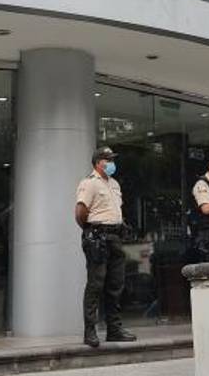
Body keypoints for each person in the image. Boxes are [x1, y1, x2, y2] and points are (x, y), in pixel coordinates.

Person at [75, 146, 137, 348]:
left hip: (115, 237)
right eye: (108, 160)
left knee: (115, 284)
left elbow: (116, 210)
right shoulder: (89, 183)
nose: (111, 163)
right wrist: (91, 230)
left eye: (112, 160)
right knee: (96, 284)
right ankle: (90, 331)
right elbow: (80, 212)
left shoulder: (114, 184)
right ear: (98, 162)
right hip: (97, 237)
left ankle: (114, 329)